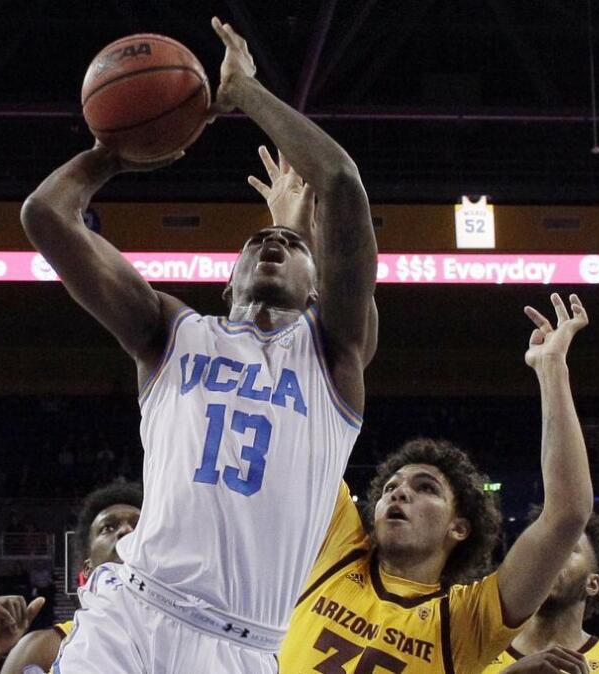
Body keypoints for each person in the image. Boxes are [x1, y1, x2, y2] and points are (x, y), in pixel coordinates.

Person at [20, 16, 378, 672]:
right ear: (230, 278)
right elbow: (44, 216)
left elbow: (343, 184)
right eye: (259, 242)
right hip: (133, 614)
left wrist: (246, 95)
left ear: (317, 283)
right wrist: (110, 155)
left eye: (293, 245)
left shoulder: (333, 358)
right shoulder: (171, 333)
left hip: (241, 646)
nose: (274, 243)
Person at [280, 293, 595, 673]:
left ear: (459, 527)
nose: (399, 492)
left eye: (425, 487)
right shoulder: (339, 547)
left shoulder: (466, 620)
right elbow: (304, 422)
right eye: (389, 487)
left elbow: (567, 513)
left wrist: (551, 368)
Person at [0, 482, 143, 674]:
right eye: (108, 528)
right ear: (87, 568)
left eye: (139, 526)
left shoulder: (179, 639)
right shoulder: (46, 649)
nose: (126, 531)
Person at [482, 511, 599, 674]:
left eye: (566, 547)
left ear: (592, 584)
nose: (547, 555)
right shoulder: (474, 655)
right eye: (539, 547)